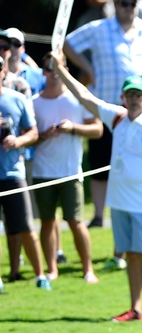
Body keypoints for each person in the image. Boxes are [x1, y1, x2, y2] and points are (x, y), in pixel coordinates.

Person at [53, 54, 142, 326]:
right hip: (120, 201)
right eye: (129, 94)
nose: (134, 99)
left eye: (138, 94)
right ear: (123, 97)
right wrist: (61, 71)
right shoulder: (117, 118)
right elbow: (85, 97)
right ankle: (134, 308)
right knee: (129, 254)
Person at [65, 0, 142, 241]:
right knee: (100, 161)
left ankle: (139, 207)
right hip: (107, 107)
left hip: (141, 111)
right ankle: (99, 215)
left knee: (139, 161)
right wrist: (88, 68)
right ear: (115, 5)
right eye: (123, 3)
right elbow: (67, 44)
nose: (128, 7)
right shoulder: (99, 28)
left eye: (132, 3)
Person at [31, 53, 103, 283]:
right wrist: (44, 135)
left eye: (58, 67)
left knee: (75, 221)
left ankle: (88, 269)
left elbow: (98, 129)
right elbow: (29, 137)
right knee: (47, 222)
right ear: (43, 72)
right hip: (43, 172)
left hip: (71, 172)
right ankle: (52, 270)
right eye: (49, 68)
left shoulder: (77, 99)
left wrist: (73, 128)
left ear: (65, 70)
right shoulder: (34, 102)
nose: (54, 72)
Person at [0, 55, 50, 292]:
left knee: (26, 226)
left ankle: (40, 276)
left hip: (13, 173)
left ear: (3, 71)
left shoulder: (17, 99)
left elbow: (33, 132)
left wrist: (17, 141)